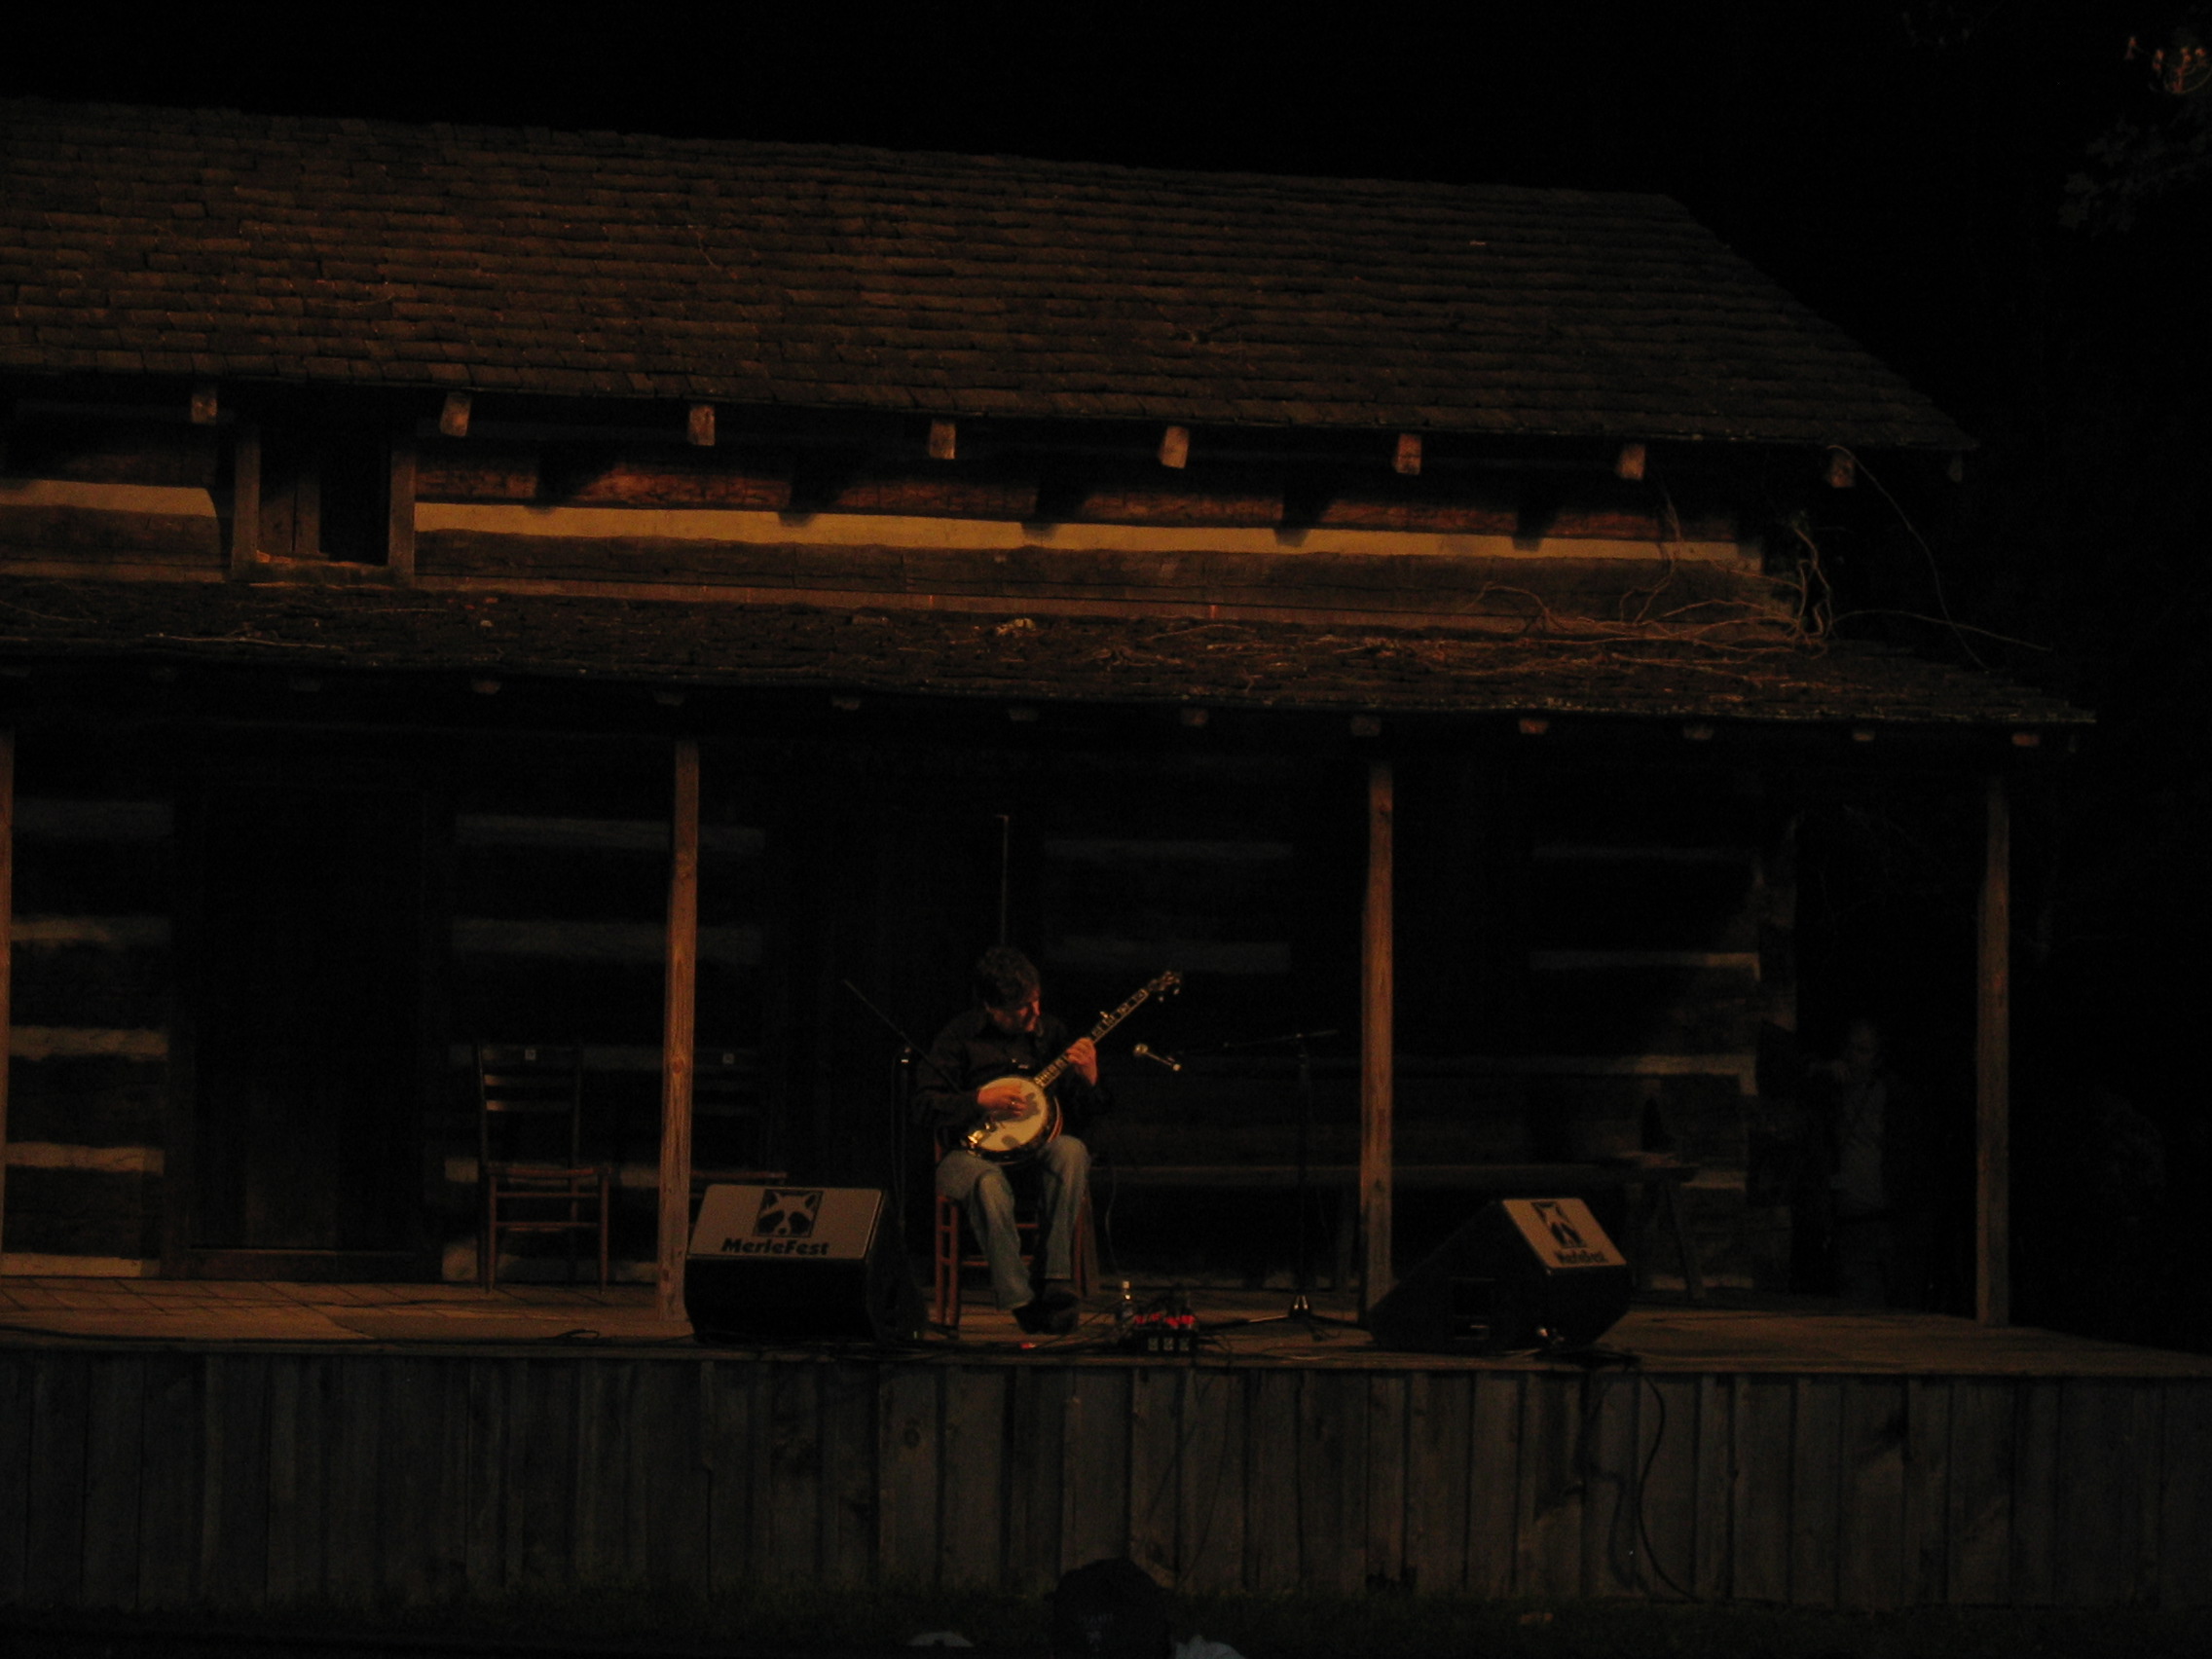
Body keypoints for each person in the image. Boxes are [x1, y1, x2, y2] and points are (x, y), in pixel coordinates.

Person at [913, 945, 1105, 1335]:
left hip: (1033, 1158)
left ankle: (1054, 1280)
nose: (1034, 1013)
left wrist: (1090, 1078)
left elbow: (1088, 1113)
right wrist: (978, 1100)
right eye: (1021, 1008)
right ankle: (1020, 1300)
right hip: (967, 1156)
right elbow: (923, 1106)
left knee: (1071, 1150)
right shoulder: (958, 1037)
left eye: (1035, 1001)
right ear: (991, 1007)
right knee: (987, 1184)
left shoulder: (1051, 1034)